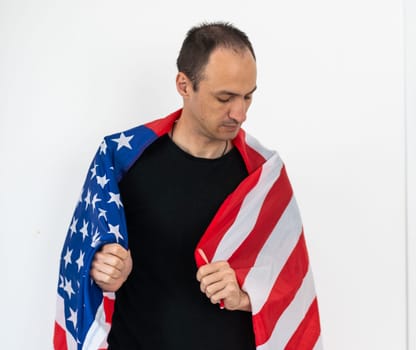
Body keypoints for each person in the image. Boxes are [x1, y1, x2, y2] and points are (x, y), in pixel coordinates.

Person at [54, 22, 321, 350]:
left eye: (248, 97)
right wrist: (99, 270)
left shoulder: (262, 178)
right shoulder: (121, 163)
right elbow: (80, 265)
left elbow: (291, 288)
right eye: (225, 97)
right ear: (184, 85)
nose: (240, 113)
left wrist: (243, 296)